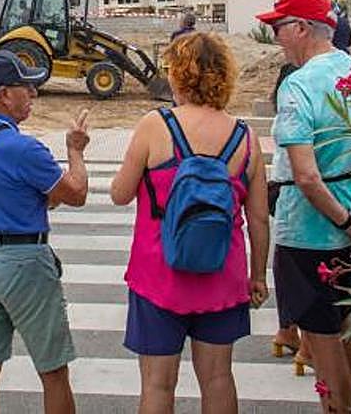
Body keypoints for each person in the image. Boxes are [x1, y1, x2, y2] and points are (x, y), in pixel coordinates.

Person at [109, 33, 269, 414]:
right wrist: (258, 276)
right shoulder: (245, 136)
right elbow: (259, 218)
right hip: (221, 275)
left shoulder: (155, 125)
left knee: (157, 384)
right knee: (218, 379)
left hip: (158, 275)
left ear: (179, 74)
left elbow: (120, 193)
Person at [256, 0, 351, 414]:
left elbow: (306, 176)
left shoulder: (299, 85)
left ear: (301, 28)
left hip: (311, 233)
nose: (276, 38)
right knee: (349, 334)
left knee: (323, 347)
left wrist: (345, 222)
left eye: (278, 28)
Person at [0, 50, 90, 414]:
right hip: (22, 261)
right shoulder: (22, 147)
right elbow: (76, 193)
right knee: (53, 370)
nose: (33, 94)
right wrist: (75, 150)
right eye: (26, 87)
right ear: (3, 94)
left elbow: (5, 193)